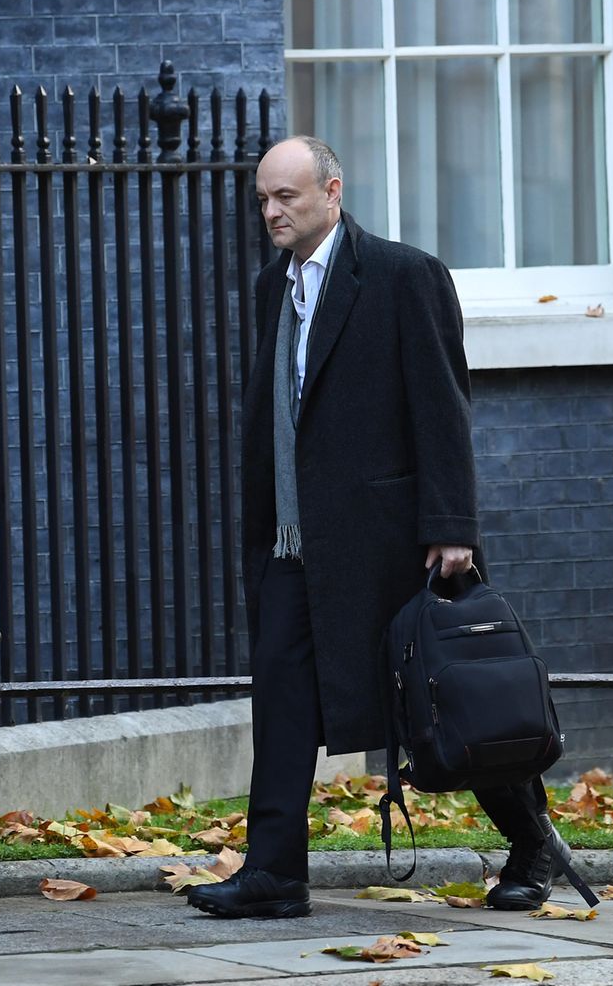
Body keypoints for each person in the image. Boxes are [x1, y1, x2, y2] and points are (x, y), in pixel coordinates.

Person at [186, 135, 556, 919]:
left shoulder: (400, 276)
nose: (271, 211)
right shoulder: (270, 288)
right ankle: (275, 874)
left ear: (333, 191)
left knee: (439, 698)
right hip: (295, 545)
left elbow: (443, 405)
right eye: (262, 199)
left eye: (286, 196)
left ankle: (530, 843)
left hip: (390, 541)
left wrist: (452, 524)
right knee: (282, 704)